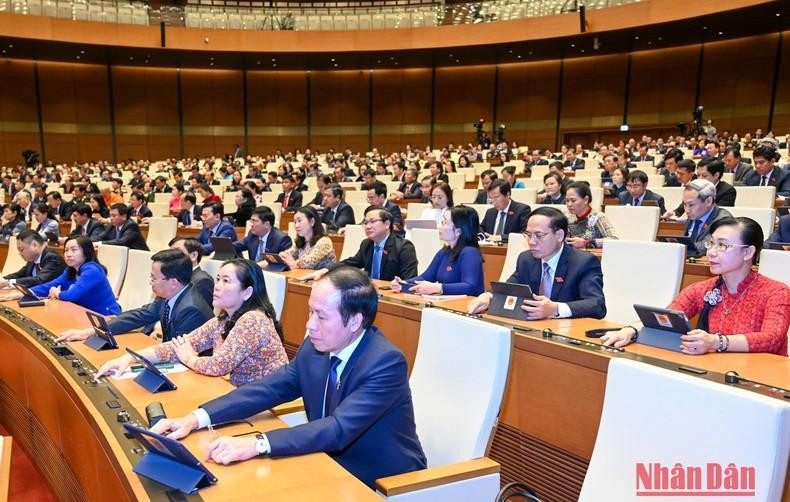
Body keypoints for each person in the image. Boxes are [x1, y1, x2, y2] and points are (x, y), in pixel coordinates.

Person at [148, 267, 426, 487]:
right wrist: (196, 418)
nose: (309, 325)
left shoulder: (385, 363)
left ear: (355, 321)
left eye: (321, 316)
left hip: (378, 479)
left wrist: (256, 444)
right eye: (310, 312)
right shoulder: (315, 348)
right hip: (321, 461)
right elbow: (267, 390)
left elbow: (338, 429)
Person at [602, 217, 789, 356]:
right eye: (711, 243)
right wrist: (630, 330)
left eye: (722, 245)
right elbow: (666, 318)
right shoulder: (702, 289)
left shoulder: (776, 292)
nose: (711, 252)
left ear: (748, 252)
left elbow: (772, 339)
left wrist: (716, 342)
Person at [95, 259, 288, 387]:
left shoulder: (253, 319)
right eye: (218, 279)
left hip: (267, 403)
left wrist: (188, 358)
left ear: (247, 292)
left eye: (226, 281)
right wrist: (129, 359)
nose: (217, 286)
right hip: (238, 394)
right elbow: (178, 345)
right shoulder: (222, 320)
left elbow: (217, 366)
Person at [468, 207, 607, 319]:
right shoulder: (526, 259)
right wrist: (488, 296)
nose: (531, 242)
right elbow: (509, 287)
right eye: (528, 235)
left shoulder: (583, 262)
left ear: (559, 235)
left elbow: (597, 305)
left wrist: (555, 309)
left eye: (539, 235)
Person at [56, 249, 213, 343]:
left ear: (173, 282)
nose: (150, 282)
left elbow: (175, 352)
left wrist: (132, 360)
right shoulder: (170, 295)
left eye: (154, 278)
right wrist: (91, 331)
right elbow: (139, 315)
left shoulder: (191, 309)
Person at [0, 236, 120, 315]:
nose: (68, 254)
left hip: (106, 317)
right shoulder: (70, 271)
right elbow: (48, 286)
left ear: (86, 252)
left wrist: (57, 293)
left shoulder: (92, 270)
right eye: (66, 250)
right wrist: (20, 294)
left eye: (74, 250)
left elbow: (71, 295)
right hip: (82, 314)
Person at [308, 206, 418, 282]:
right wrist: (326, 270)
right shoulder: (367, 244)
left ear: (387, 224)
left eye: (373, 221)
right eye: (365, 223)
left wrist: (400, 284)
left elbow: (410, 279)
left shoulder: (404, 247)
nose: (368, 226)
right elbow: (351, 263)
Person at [392, 206, 484, 296]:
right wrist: (403, 283)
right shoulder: (444, 252)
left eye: (444, 223)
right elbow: (426, 277)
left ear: (458, 231)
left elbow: (470, 286)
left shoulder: (470, 252)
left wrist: (438, 288)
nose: (439, 226)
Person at [677, 179, 733, 256]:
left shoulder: (723, 220)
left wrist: (677, 248)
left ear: (708, 201)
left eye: (691, 205)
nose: (687, 210)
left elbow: (705, 247)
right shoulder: (695, 214)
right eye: (684, 204)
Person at [0, 230, 66, 289]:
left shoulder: (53, 258)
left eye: (21, 250)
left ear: (34, 245)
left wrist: (8, 283)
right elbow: (20, 274)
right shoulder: (33, 258)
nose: (20, 254)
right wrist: (3, 279)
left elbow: (40, 280)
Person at [565, 181, 618, 249]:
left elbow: (614, 239)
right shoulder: (567, 218)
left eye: (573, 200)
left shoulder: (598, 217)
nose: (569, 204)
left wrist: (586, 243)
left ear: (586, 200)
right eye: (567, 201)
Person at [170, 237, 214, 307]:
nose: (170, 256)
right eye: (170, 252)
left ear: (194, 255)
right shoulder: (171, 277)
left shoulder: (202, 281)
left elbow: (200, 311)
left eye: (177, 251)